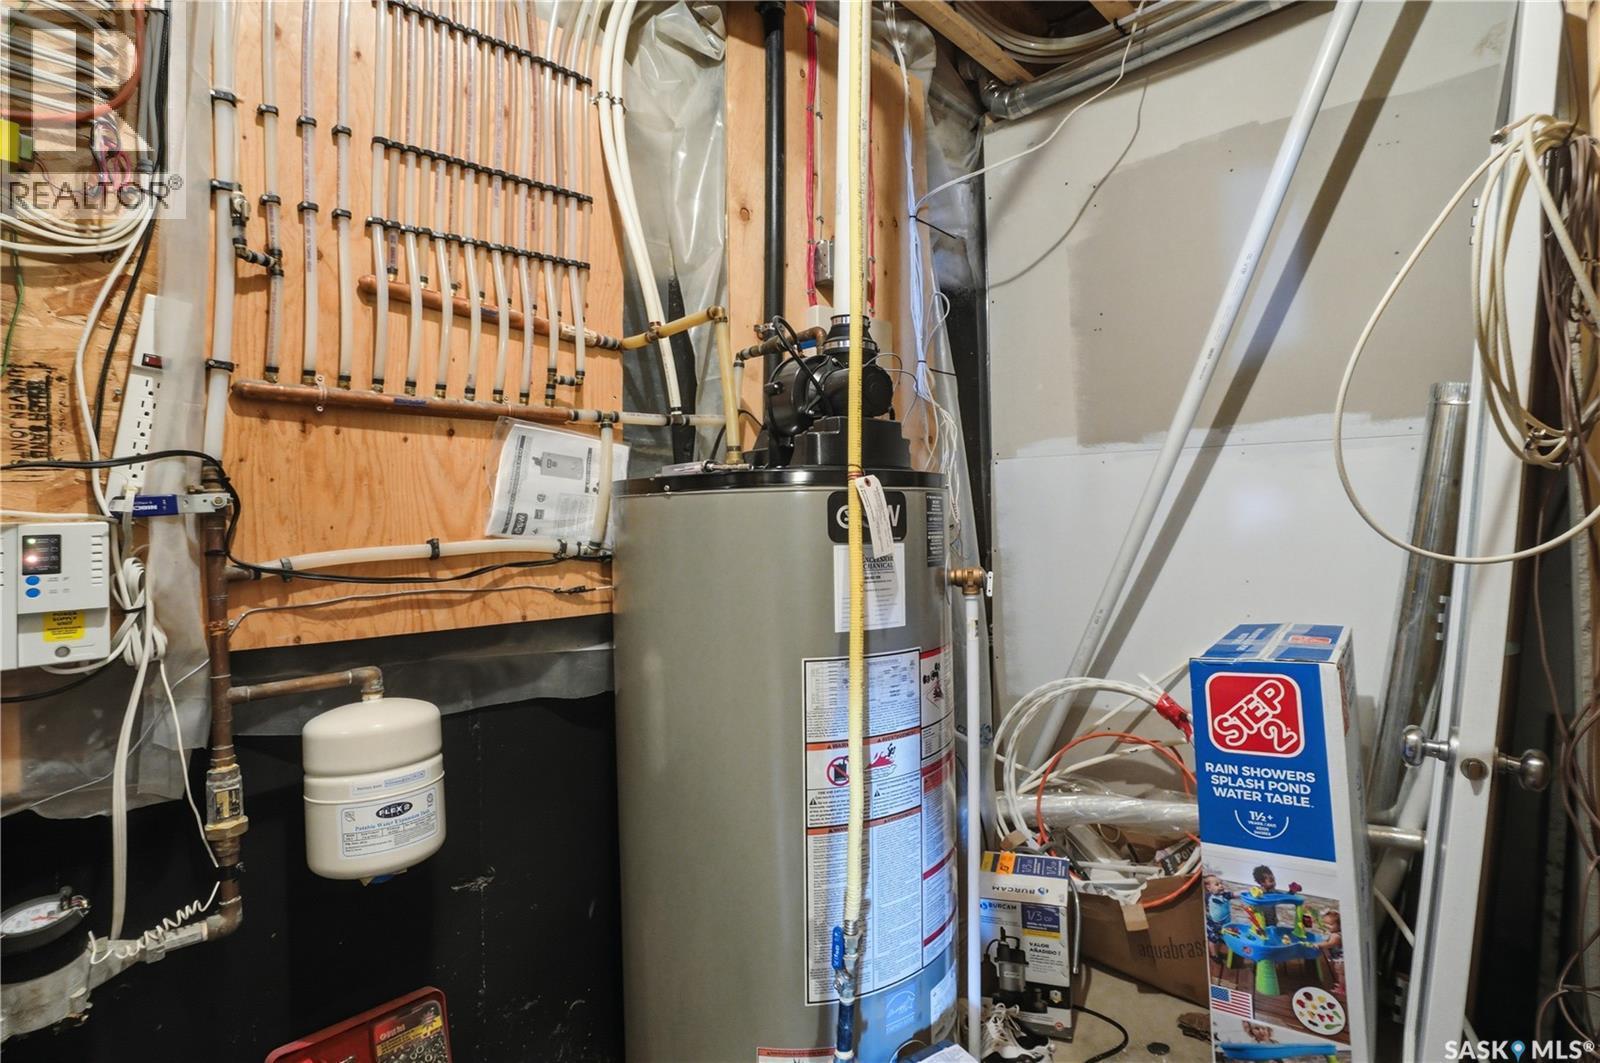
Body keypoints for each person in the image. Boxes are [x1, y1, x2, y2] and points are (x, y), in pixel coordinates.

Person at [1203, 874, 1234, 971]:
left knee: (1222, 937)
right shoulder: (1207, 897)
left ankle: (1220, 944)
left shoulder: (1225, 896)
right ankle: (1214, 955)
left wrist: (1247, 893)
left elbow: (1235, 894)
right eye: (1217, 884)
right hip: (1213, 925)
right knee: (1213, 940)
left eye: (1221, 883)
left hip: (1225, 923)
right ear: (1209, 888)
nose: (1221, 886)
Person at [1316, 909, 1345, 995]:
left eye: (1331, 924)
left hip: (1341, 959)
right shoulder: (1334, 933)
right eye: (1325, 924)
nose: (1327, 926)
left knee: (1341, 973)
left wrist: (1319, 945)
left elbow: (1329, 944)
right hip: (1339, 958)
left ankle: (1342, 988)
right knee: (1340, 973)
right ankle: (1342, 985)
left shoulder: (1336, 936)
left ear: (1339, 924)